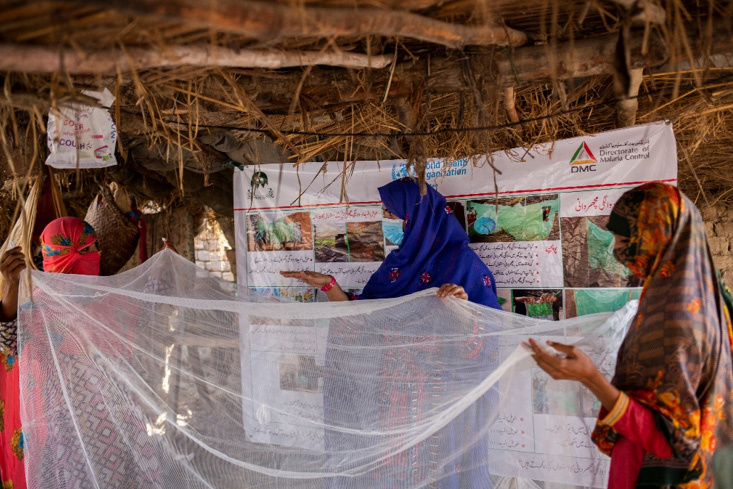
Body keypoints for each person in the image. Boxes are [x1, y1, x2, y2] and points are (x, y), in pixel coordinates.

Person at [282, 178, 501, 488]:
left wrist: (462, 310)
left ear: (418, 218)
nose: (388, 222)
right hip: (389, 401)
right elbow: (364, 322)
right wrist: (329, 286)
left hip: (441, 405)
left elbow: (491, 343)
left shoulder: (463, 264)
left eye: (394, 215)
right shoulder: (396, 265)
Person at [527, 182, 733, 488]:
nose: (616, 250)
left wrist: (590, 378)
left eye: (625, 238)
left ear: (658, 235)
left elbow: (674, 442)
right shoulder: (711, 300)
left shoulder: (676, 319)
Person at [0, 217, 171, 489]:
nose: (95, 256)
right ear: (61, 256)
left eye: (93, 247)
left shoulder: (107, 298)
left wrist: (161, 271)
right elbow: (8, 340)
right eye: (87, 249)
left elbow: (145, 314)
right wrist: (10, 286)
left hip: (118, 421)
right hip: (67, 428)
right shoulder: (38, 310)